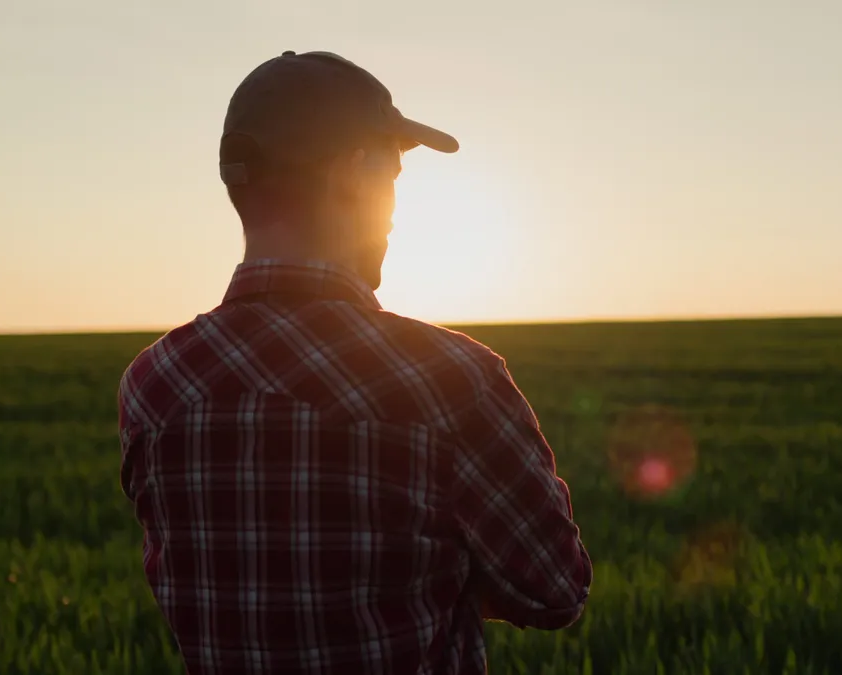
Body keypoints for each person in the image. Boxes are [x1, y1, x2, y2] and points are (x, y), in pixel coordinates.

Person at [117, 50, 592, 675]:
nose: (395, 206)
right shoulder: (451, 378)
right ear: (354, 172)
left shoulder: (155, 385)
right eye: (392, 174)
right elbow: (554, 590)